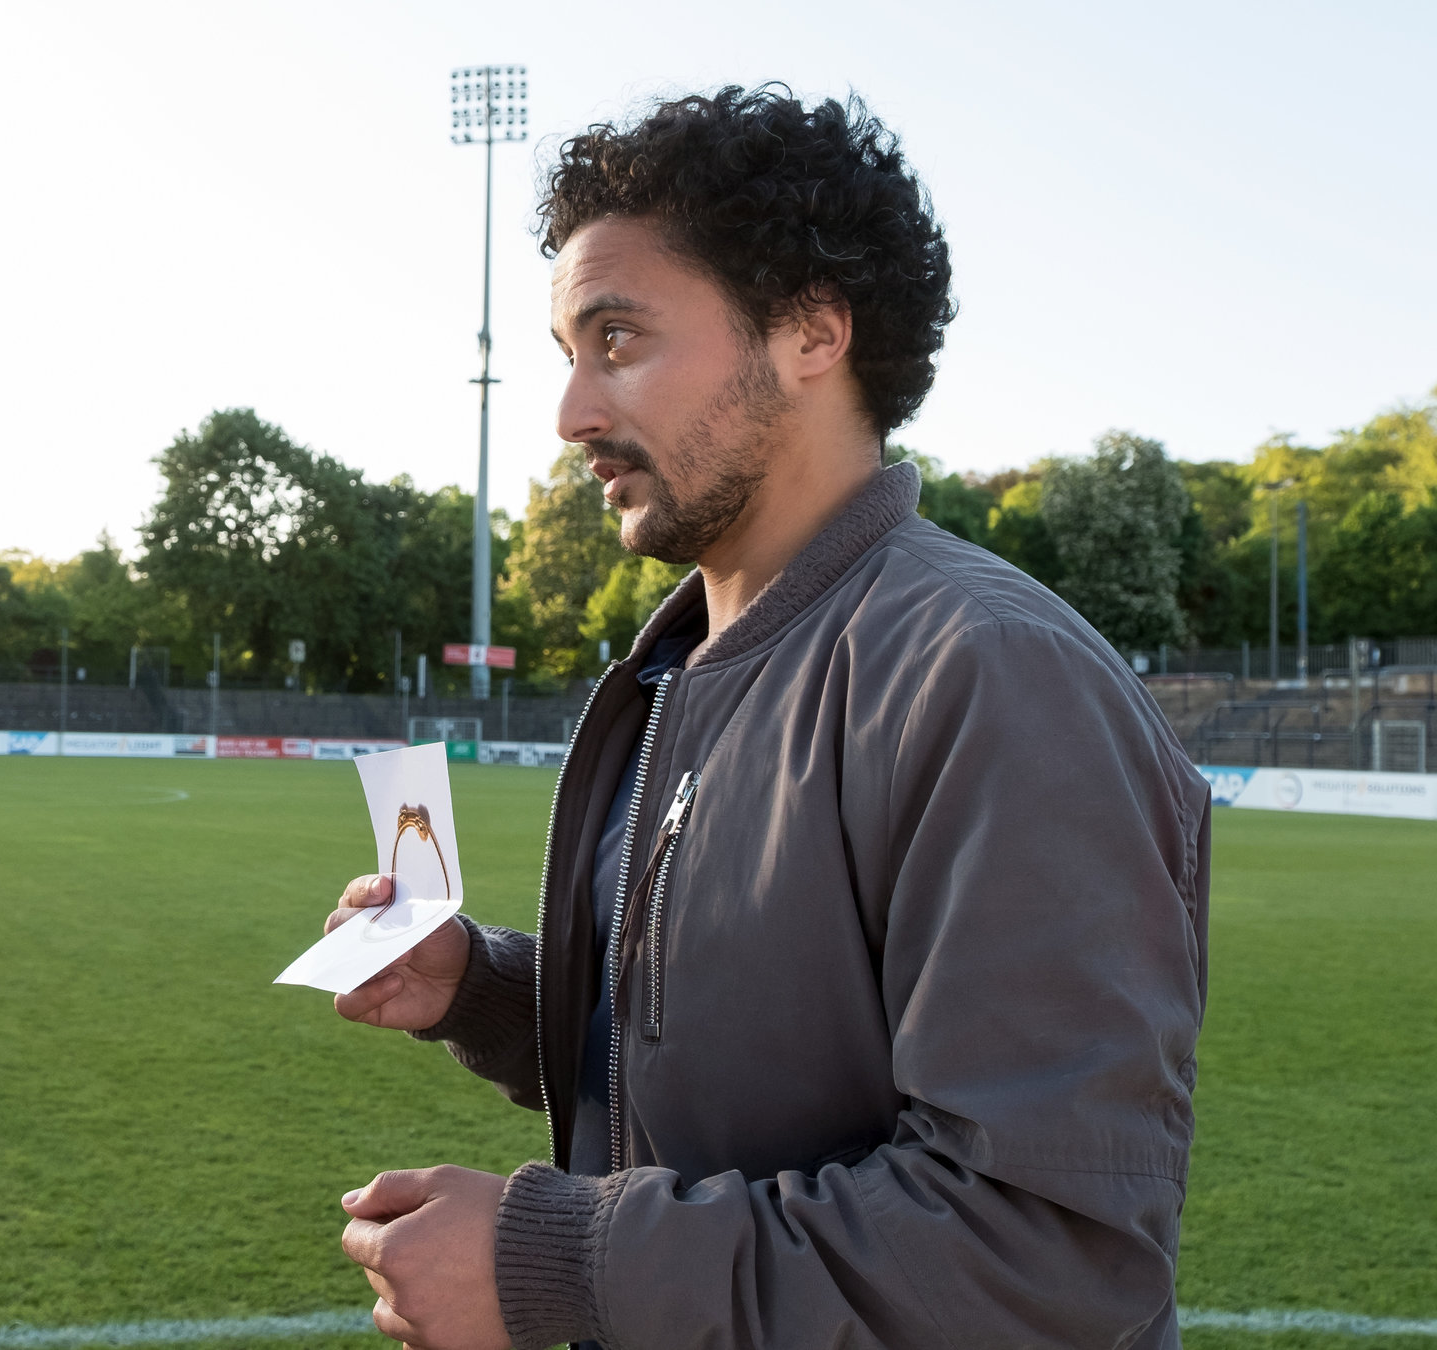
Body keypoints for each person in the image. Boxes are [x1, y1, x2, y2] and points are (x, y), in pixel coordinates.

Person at [325, 87, 1208, 1350]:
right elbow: (737, 1063)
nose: (572, 411)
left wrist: (561, 1264)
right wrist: (479, 985)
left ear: (809, 334)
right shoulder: (682, 668)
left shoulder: (991, 674)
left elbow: (1042, 1255)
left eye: (617, 339)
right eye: (567, 354)